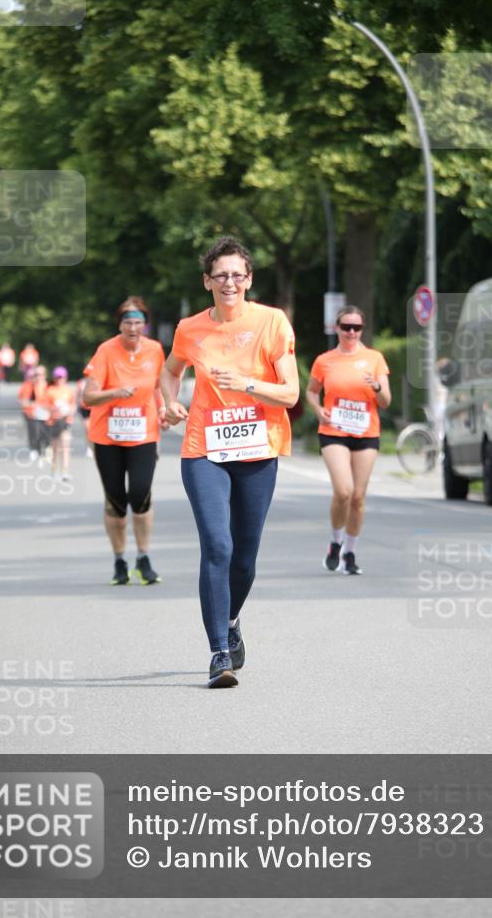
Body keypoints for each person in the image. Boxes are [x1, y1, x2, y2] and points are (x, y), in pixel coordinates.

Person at [161, 236, 299, 688]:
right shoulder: (190, 328)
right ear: (207, 281)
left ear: (249, 279)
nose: (229, 282)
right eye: (220, 275)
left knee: (244, 558)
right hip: (205, 448)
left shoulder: (272, 322)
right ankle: (219, 652)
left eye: (238, 274)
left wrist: (245, 383)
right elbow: (169, 371)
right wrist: (170, 401)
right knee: (217, 547)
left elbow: (291, 394)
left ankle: (232, 617)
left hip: (259, 449)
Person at [83, 296, 167, 587]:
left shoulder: (155, 350)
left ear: (145, 325)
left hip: (143, 433)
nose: (133, 328)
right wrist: (115, 392)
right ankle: (120, 560)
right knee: (116, 501)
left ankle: (143, 558)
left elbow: (159, 387)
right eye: (128, 322)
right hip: (107, 436)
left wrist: (165, 409)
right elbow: (88, 396)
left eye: (138, 322)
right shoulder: (106, 351)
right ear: (120, 324)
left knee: (141, 494)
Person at [306, 305, 391, 576]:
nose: (351, 332)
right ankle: (335, 542)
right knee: (343, 491)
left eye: (357, 327)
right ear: (337, 328)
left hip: (366, 433)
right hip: (333, 431)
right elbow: (310, 391)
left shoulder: (374, 359)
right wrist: (319, 410)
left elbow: (386, 401)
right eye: (346, 327)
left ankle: (350, 551)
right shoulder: (325, 360)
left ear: (362, 329)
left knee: (358, 497)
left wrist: (376, 387)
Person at [46, 366, 76, 481]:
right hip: (54, 421)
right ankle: (54, 470)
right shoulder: (50, 390)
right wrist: (54, 408)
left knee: (65, 446)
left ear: (66, 377)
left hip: (66, 421)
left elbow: (73, 405)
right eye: (58, 377)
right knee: (55, 447)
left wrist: (69, 411)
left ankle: (65, 471)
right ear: (54, 378)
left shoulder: (69, 390)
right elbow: (45, 405)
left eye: (62, 377)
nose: (60, 379)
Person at [18, 364, 51, 464]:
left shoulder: (49, 386)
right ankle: (34, 449)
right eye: (36, 374)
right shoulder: (28, 386)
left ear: (45, 375)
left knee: (45, 433)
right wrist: (30, 404)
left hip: (47, 414)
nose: (38, 377)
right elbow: (21, 400)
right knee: (35, 432)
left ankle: (45, 450)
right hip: (31, 413)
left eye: (41, 374)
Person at [76, 375, 93, 458]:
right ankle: (89, 447)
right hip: (84, 408)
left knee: (94, 429)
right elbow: (78, 395)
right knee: (87, 429)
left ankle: (94, 447)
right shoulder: (81, 382)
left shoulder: (97, 381)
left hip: (94, 408)